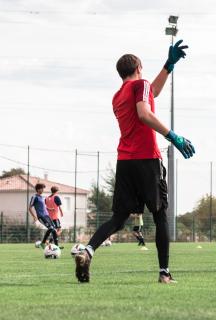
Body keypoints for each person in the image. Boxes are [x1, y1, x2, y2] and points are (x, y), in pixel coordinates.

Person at [75, 39, 195, 283]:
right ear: (139, 67)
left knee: (119, 218)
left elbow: (154, 93)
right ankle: (164, 273)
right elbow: (145, 113)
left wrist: (168, 66)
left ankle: (87, 251)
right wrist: (173, 136)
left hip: (125, 161)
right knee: (160, 215)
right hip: (147, 158)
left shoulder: (118, 95)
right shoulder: (140, 84)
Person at [28, 183, 62, 249]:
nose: (43, 190)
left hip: (47, 215)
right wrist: (34, 216)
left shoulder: (42, 197)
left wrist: (50, 209)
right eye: (42, 188)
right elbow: (30, 208)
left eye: (43, 188)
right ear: (38, 189)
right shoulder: (34, 197)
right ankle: (43, 243)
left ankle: (57, 246)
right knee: (51, 228)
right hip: (41, 216)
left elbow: (44, 207)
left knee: (54, 229)